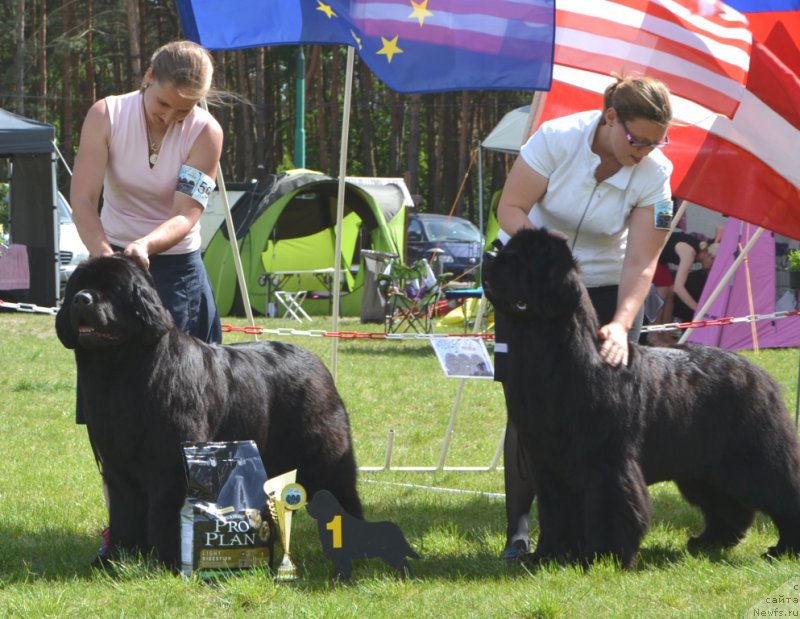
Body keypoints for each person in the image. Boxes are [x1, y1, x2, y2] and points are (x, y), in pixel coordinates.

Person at [493, 74, 674, 560]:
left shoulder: (656, 174)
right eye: (639, 139)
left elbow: (642, 263)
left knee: (608, 417)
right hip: (538, 283)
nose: (647, 150)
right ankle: (520, 528)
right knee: (530, 407)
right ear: (610, 117)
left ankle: (606, 531)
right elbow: (509, 208)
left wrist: (620, 322)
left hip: (609, 289)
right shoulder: (556, 139)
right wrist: (545, 256)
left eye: (658, 141)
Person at [70, 39, 224, 563]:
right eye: (165, 105)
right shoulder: (105, 115)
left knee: (188, 415)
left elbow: (186, 214)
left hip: (175, 269)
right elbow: (84, 199)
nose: (172, 117)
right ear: (148, 76)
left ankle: (197, 531)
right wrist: (107, 258)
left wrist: (147, 246)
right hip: (111, 263)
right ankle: (122, 533)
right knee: (112, 411)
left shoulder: (207, 131)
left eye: (185, 108)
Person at [650, 233, 717, 344]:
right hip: (651, 254)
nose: (710, 269)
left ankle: (667, 334)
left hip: (662, 258)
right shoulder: (690, 254)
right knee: (662, 294)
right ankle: (654, 336)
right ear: (709, 256)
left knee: (670, 294)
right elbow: (679, 287)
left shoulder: (701, 251)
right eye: (711, 265)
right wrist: (699, 309)